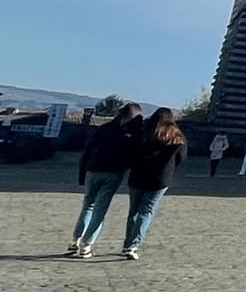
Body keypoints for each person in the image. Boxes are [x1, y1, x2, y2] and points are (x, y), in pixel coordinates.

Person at [66, 103, 142, 257]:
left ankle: (76, 239)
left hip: (93, 169)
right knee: (100, 210)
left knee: (88, 205)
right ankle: (87, 245)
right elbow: (133, 157)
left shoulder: (104, 129)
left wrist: (82, 173)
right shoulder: (131, 135)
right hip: (113, 173)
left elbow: (87, 151)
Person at [119, 107, 188, 259]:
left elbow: (130, 152)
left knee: (134, 212)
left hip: (138, 177)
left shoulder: (142, 133)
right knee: (147, 211)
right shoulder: (176, 136)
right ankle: (133, 245)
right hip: (160, 179)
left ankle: (127, 243)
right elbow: (181, 158)